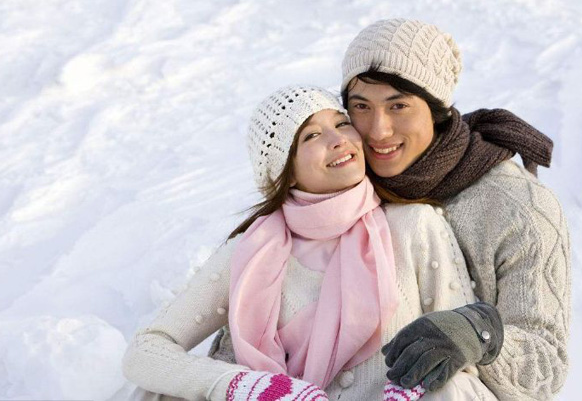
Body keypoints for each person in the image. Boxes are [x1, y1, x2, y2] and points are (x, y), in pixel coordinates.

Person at [122, 85, 499, 400]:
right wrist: (242, 385)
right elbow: (146, 350)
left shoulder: (414, 224)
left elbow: (458, 352)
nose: (339, 140)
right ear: (284, 172)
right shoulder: (250, 252)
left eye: (341, 123)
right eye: (312, 136)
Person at [339, 18, 571, 401]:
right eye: (361, 106)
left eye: (399, 105)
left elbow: (544, 369)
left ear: (437, 109)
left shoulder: (516, 206)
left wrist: (479, 333)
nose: (378, 130)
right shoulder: (343, 183)